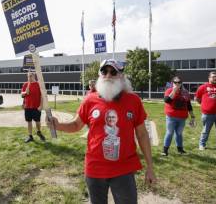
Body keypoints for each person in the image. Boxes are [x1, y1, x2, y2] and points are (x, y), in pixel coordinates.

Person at [47, 59, 156, 204]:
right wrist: (58, 125)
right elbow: (75, 125)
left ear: (121, 76)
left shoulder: (133, 100)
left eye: (113, 72)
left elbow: (142, 134)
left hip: (124, 168)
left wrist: (150, 166)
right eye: (104, 71)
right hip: (95, 169)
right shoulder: (89, 100)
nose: (108, 75)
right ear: (100, 75)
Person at [162, 76, 195, 156]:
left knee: (179, 133)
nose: (177, 84)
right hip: (171, 117)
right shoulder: (169, 90)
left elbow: (188, 104)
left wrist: (192, 116)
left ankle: (180, 149)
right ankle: (165, 151)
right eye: (175, 82)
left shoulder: (185, 92)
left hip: (182, 117)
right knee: (169, 132)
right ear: (172, 83)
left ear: (181, 83)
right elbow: (167, 101)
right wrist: (174, 90)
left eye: (179, 82)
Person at [195, 71, 216, 150]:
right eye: (213, 77)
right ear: (209, 78)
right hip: (207, 114)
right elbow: (197, 98)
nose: (215, 78)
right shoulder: (203, 87)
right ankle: (202, 144)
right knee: (205, 131)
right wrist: (205, 106)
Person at [21, 72, 45, 143]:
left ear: (34, 76)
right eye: (28, 76)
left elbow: (42, 96)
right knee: (29, 121)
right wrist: (25, 92)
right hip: (27, 107)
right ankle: (30, 136)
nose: (29, 78)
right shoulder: (25, 84)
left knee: (37, 121)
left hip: (36, 107)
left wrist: (41, 105)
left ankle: (39, 132)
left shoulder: (38, 84)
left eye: (31, 76)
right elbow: (22, 95)